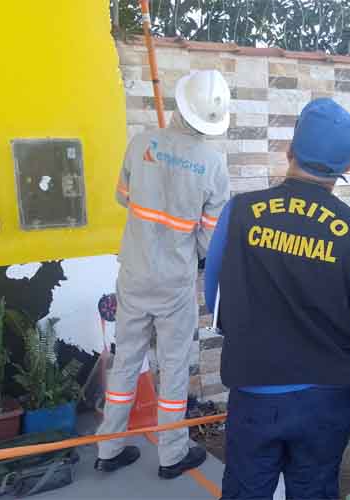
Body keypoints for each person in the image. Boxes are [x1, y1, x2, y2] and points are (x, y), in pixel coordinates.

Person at [205, 98, 350, 499]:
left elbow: (215, 304)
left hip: (254, 393)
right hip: (324, 400)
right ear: (349, 164)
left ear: (289, 150)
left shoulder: (239, 212)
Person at [94, 69, 231, 479]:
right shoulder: (213, 164)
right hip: (174, 283)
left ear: (179, 103)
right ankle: (171, 455)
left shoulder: (140, 144)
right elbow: (211, 240)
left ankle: (108, 448)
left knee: (126, 361)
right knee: (173, 365)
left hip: (134, 273)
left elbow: (123, 197)